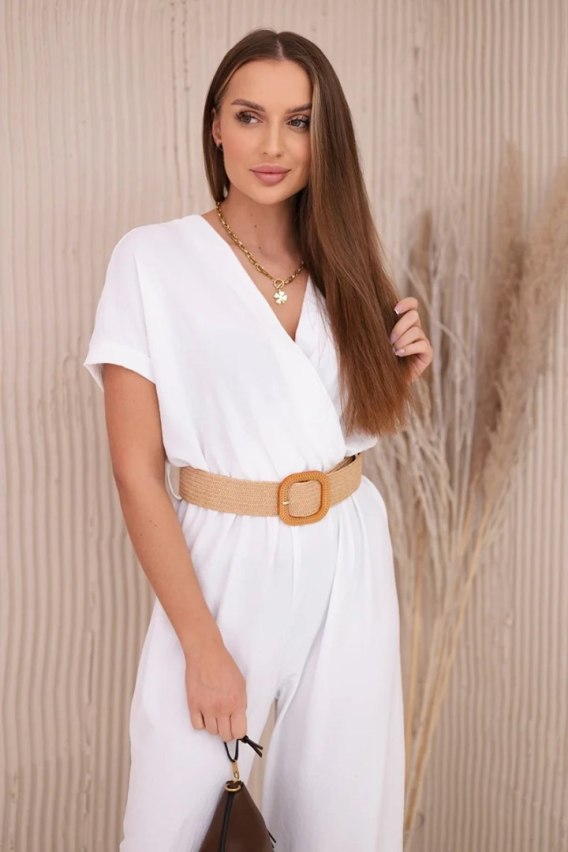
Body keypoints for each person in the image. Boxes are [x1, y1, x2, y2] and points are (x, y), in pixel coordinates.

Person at [83, 27, 433, 852]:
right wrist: (202, 647)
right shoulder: (153, 261)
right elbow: (136, 472)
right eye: (249, 116)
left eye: (299, 122)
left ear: (324, 135)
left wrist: (401, 377)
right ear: (215, 126)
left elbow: (339, 431)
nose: (273, 145)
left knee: (344, 820)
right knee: (173, 818)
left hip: (350, 551)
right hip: (223, 562)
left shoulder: (350, 266)